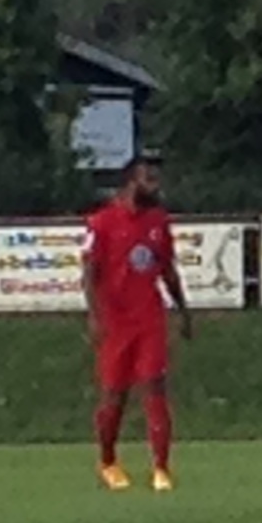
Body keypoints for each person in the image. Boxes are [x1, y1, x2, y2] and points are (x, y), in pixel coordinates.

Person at [81, 150, 193, 493]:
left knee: (155, 386)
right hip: (116, 321)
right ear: (132, 180)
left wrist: (183, 310)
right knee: (114, 394)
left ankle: (161, 467)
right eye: (149, 178)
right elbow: (89, 273)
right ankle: (108, 461)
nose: (156, 185)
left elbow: (167, 270)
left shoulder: (158, 221)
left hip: (149, 318)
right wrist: (95, 316)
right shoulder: (101, 223)